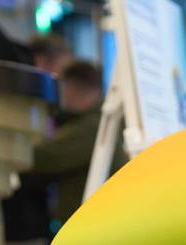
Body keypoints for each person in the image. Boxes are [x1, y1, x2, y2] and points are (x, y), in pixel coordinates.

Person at [23, 61, 120, 232]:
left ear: (71, 89)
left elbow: (43, 157)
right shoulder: (99, 122)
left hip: (91, 229)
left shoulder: (93, 127)